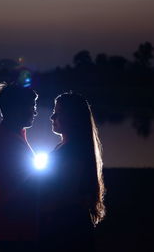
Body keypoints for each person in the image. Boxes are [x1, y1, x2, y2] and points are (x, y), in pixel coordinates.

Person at [39, 92, 106, 252]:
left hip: (68, 228)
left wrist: (41, 210)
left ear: (72, 118)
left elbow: (67, 194)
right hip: (62, 224)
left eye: (57, 113)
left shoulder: (74, 151)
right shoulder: (64, 147)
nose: (52, 117)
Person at [0, 82, 39, 252]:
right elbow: (28, 186)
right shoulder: (10, 141)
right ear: (17, 108)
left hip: (15, 225)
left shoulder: (13, 134)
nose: (35, 111)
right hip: (16, 229)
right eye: (31, 106)